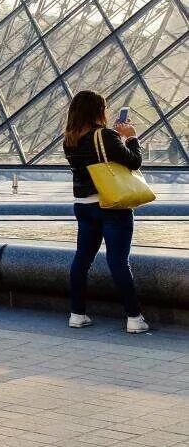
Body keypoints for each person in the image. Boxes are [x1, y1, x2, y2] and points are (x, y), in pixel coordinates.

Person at [63, 90, 148, 333]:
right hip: (111, 205)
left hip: (83, 206)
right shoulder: (105, 135)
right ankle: (134, 318)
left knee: (82, 259)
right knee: (118, 261)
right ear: (98, 111)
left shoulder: (69, 139)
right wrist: (131, 138)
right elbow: (134, 162)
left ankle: (77, 314)